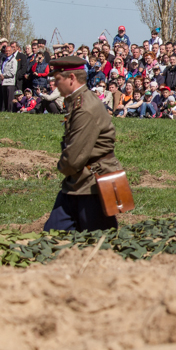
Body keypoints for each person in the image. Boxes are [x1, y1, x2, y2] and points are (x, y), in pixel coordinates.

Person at [42, 56, 123, 232]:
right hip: (78, 183)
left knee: (100, 240)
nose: (55, 85)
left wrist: (62, 167)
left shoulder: (84, 108)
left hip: (94, 185)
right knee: (53, 236)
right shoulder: (78, 101)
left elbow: (75, 156)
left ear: (71, 79)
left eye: (58, 79)